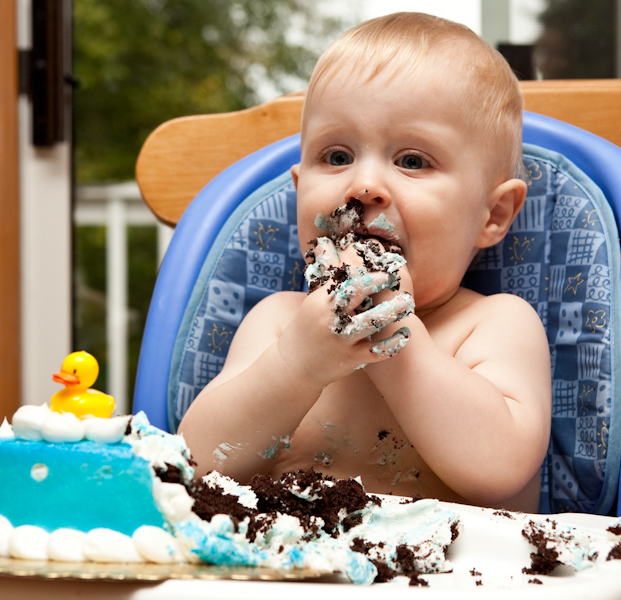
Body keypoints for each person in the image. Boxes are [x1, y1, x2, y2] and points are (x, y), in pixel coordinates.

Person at [178, 12, 551, 512]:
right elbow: (194, 465)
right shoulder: (278, 325)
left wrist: (393, 336)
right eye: (336, 157)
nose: (363, 185)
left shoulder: (494, 325)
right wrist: (295, 365)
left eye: (412, 161)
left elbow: (500, 472)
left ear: (494, 213)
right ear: (298, 192)